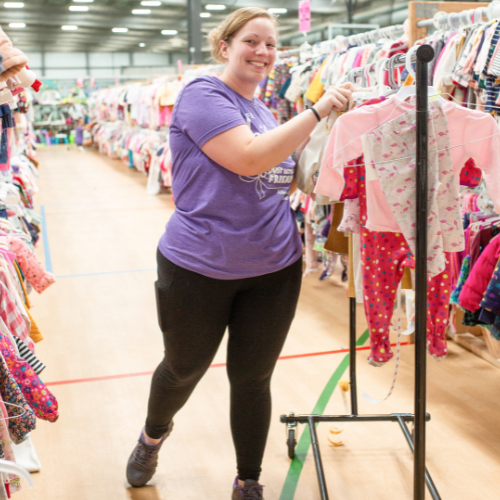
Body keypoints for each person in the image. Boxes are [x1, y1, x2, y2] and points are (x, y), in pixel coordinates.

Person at [126, 7, 353, 499]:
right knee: (183, 366)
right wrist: (316, 113)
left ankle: (248, 479)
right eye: (253, 41)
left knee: (253, 378)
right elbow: (249, 158)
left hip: (274, 265)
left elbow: (281, 176)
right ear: (225, 45)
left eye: (272, 44)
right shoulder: (202, 95)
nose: (264, 53)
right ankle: (152, 436)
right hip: (198, 265)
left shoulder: (265, 111)